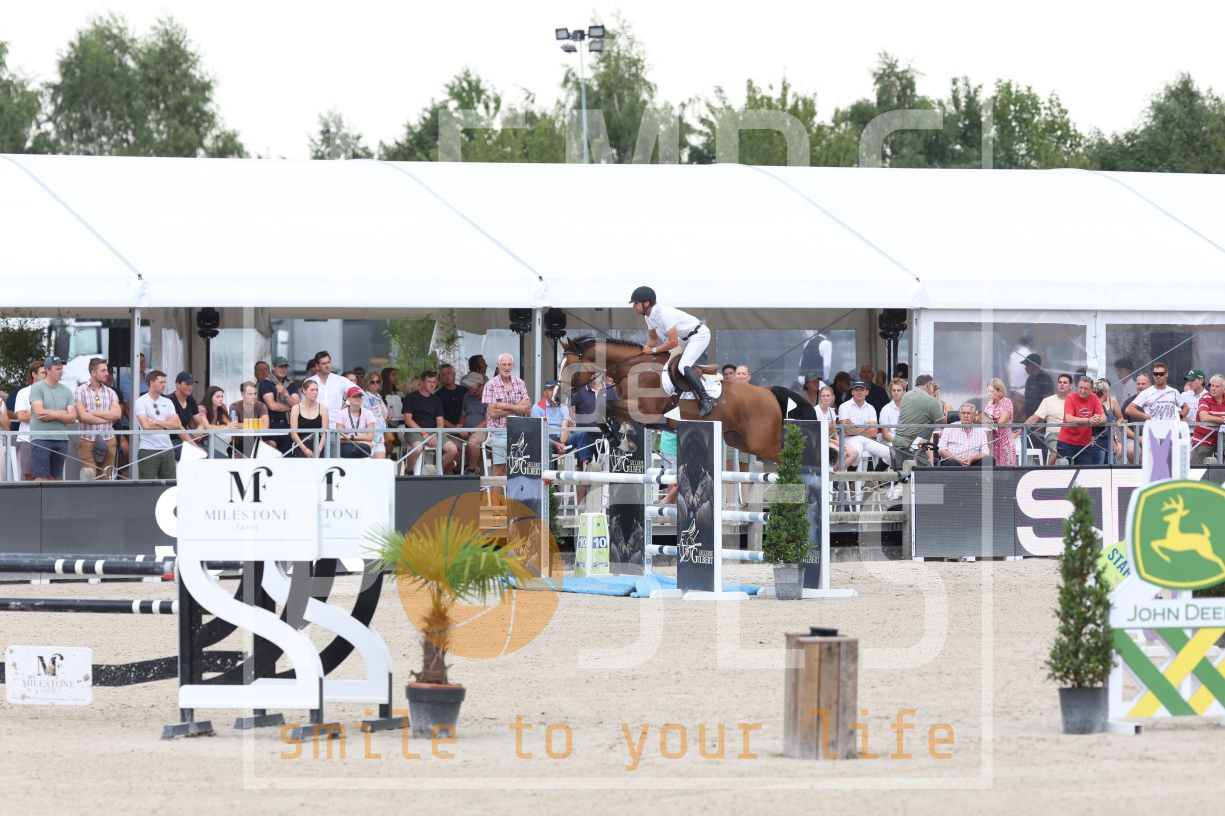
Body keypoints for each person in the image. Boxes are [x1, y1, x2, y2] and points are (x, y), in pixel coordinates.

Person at [629, 285, 715, 417]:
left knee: (683, 365)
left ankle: (706, 399)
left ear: (646, 303)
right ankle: (677, 395)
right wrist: (642, 354)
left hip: (699, 335)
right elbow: (652, 339)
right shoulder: (648, 317)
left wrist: (653, 350)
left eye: (636, 303)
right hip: (684, 339)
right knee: (668, 366)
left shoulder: (664, 313)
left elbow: (673, 342)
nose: (634, 306)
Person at [482, 352, 531, 488]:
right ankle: (497, 503)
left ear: (513, 365)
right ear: (498, 366)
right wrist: (517, 407)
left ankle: (515, 501)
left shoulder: (520, 383)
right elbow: (493, 413)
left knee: (519, 470)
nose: (507, 367)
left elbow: (528, 410)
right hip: (499, 432)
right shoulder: (490, 385)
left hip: (519, 432)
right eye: (504, 364)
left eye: (509, 364)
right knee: (499, 470)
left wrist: (505, 405)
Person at [29, 355, 77, 481]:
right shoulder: (37, 387)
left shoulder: (67, 391)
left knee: (55, 478)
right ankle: (37, 495)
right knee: (40, 477)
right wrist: (63, 414)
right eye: (57, 369)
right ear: (48, 370)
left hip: (61, 438)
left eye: (61, 368)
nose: (61, 371)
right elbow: (40, 413)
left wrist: (53, 414)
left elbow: (73, 417)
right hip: (41, 438)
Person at [403, 369, 460, 473]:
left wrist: (436, 434)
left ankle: (433, 471)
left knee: (452, 449)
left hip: (434, 432)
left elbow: (440, 422)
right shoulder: (410, 397)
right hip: (415, 431)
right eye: (429, 381)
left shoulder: (436, 399)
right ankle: (409, 470)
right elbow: (408, 420)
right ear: (422, 382)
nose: (432, 384)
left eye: (434, 382)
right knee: (418, 448)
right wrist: (424, 433)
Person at [74, 357, 121, 478]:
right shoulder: (80, 391)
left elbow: (117, 414)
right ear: (93, 373)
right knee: (89, 477)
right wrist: (107, 418)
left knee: (106, 477)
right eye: (103, 370)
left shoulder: (111, 392)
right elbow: (83, 417)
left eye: (107, 370)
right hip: (87, 440)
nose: (107, 374)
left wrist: (93, 412)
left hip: (108, 439)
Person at [891, 375, 948, 466]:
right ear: (929, 385)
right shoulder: (931, 401)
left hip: (900, 440)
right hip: (914, 442)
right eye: (933, 385)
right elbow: (942, 422)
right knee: (922, 466)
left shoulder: (907, 395)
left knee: (902, 471)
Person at [134, 371, 179, 479]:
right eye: (160, 382)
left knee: (170, 484)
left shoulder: (168, 402)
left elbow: (176, 424)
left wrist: (156, 422)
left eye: (165, 382)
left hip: (167, 448)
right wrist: (166, 424)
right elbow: (146, 426)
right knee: (146, 484)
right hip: (148, 449)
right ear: (151, 383)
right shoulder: (141, 401)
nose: (163, 385)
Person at [836, 379, 892, 467]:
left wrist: (854, 428)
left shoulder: (871, 408)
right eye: (856, 390)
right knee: (856, 455)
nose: (859, 392)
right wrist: (867, 427)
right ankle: (851, 476)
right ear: (852, 392)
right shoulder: (844, 406)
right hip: (849, 439)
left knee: (890, 453)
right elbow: (847, 431)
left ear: (867, 392)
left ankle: (876, 474)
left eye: (862, 390)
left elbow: (874, 432)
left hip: (867, 439)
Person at [1057, 376, 1106, 465]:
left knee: (1085, 472)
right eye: (1080, 388)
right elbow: (1069, 418)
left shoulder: (1094, 397)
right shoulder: (1070, 397)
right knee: (1064, 471)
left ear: (1091, 390)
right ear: (1077, 387)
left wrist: (1096, 419)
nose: (1082, 391)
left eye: (1086, 389)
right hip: (1067, 442)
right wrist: (1089, 420)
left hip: (1085, 444)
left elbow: (1104, 418)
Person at [1025, 373, 1072, 465]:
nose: (1062, 384)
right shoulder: (1048, 401)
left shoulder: (1075, 400)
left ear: (1070, 386)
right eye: (1060, 382)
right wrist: (1020, 430)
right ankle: (1049, 470)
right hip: (1054, 436)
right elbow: (1035, 418)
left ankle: (1048, 470)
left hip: (1072, 436)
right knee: (1060, 454)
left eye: (1065, 382)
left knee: (1072, 456)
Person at [13, 360, 46, 480]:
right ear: (34, 374)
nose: (46, 375)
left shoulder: (52, 391)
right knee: (30, 476)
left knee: (49, 476)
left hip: (48, 438)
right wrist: (45, 413)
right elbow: (21, 416)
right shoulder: (23, 392)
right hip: (28, 439)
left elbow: (60, 413)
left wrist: (32, 413)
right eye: (43, 372)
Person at [259, 356, 298, 454]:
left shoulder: (291, 384)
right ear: (273, 367)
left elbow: (297, 405)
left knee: (288, 456)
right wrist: (291, 406)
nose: (283, 369)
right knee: (270, 454)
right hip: (271, 425)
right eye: (280, 367)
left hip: (288, 425)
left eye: (285, 367)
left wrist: (285, 394)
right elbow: (272, 406)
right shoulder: (266, 383)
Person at [229, 381, 272, 458]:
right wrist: (256, 424)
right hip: (239, 443)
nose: (254, 397)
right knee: (237, 457)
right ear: (242, 394)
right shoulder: (234, 406)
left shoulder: (261, 406)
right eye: (250, 394)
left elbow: (265, 427)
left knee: (270, 449)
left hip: (256, 442)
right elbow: (234, 425)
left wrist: (243, 425)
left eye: (255, 394)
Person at [169, 371, 206, 459]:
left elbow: (201, 423)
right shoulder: (169, 401)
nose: (190, 386)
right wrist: (194, 445)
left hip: (186, 440)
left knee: (218, 456)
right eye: (187, 384)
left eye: (192, 384)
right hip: (171, 442)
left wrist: (198, 430)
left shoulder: (191, 400)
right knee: (201, 455)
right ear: (178, 385)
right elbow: (178, 428)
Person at [531, 380, 572, 458]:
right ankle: (548, 466)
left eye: (556, 390)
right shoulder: (537, 407)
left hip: (562, 438)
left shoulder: (563, 406)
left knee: (581, 435)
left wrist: (562, 443)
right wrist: (556, 444)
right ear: (545, 393)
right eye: (551, 389)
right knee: (545, 443)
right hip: (546, 437)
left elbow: (564, 427)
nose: (554, 392)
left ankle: (585, 464)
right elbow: (538, 432)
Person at [981, 377, 1016, 466]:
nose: (989, 394)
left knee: (1005, 468)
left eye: (992, 391)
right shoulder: (989, 403)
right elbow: (984, 418)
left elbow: (1002, 421)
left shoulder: (1006, 402)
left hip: (1004, 441)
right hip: (991, 442)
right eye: (988, 391)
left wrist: (988, 421)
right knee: (992, 467)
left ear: (1000, 391)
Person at [306, 350, 348, 426]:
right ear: (317, 366)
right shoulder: (309, 381)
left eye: (328, 362)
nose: (327, 366)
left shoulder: (340, 380)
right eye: (323, 363)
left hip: (336, 426)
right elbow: (304, 404)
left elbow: (358, 392)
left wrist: (346, 404)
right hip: (316, 426)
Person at [816, 385, 854, 467]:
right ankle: (831, 473)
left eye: (828, 396)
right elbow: (816, 435)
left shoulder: (831, 411)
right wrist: (835, 442)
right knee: (842, 454)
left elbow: (834, 433)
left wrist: (841, 443)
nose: (826, 398)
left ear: (833, 397)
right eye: (823, 396)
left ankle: (835, 472)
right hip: (819, 442)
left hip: (829, 440)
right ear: (820, 398)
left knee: (854, 453)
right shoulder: (816, 411)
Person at [289, 379, 328, 458]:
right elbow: (293, 433)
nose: (315, 392)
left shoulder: (323, 408)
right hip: (301, 444)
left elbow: (325, 432)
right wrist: (304, 449)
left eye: (316, 390)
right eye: (312, 390)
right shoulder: (296, 408)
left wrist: (319, 449)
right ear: (304, 391)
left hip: (318, 443)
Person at [459, 371, 488, 474]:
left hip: (483, 431)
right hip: (465, 430)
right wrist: (460, 425)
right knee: (449, 445)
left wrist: (470, 431)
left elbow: (488, 421)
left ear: (481, 386)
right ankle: (460, 469)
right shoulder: (467, 395)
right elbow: (463, 414)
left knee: (473, 442)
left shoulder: (489, 397)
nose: (469, 389)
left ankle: (471, 471)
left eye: (472, 387)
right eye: (468, 387)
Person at [1192, 375, 1225, 464]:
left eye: (1217, 386)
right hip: (1204, 438)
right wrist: (1221, 420)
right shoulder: (1205, 398)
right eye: (1212, 385)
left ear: (1223, 389)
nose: (1213, 388)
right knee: (1197, 467)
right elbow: (1204, 417)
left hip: (1221, 438)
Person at [335, 385, 375, 458]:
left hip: (362, 446)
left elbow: (370, 437)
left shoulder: (369, 413)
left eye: (360, 396)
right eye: (354, 396)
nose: (358, 398)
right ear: (348, 398)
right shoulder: (341, 413)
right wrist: (362, 441)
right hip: (348, 445)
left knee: (361, 449)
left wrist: (350, 437)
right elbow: (340, 437)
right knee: (350, 451)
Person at [198, 386, 238, 457]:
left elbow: (228, 423)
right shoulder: (201, 408)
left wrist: (228, 425)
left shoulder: (221, 407)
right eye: (218, 397)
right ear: (210, 397)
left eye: (222, 396)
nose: (221, 399)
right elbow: (206, 427)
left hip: (210, 439)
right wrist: (225, 427)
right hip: (195, 440)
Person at [362, 371, 390, 460]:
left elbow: (382, 415)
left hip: (380, 436)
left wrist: (386, 417)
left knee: (380, 464)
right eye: (372, 382)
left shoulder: (378, 397)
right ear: (367, 383)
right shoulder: (364, 397)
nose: (375, 384)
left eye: (378, 381)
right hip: (368, 436)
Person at [1021, 354, 1055, 421]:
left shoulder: (1045, 379)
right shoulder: (1029, 379)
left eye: (1027, 365)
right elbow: (1027, 399)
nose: (1025, 368)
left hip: (1040, 419)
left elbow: (1047, 400)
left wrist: (1041, 419)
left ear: (1034, 365)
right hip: (1030, 417)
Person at [879, 378, 906, 445]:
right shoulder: (885, 410)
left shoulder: (910, 408)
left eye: (898, 390)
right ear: (891, 392)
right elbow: (885, 435)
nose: (896, 393)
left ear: (904, 391)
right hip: (892, 443)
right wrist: (901, 443)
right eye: (894, 390)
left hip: (909, 443)